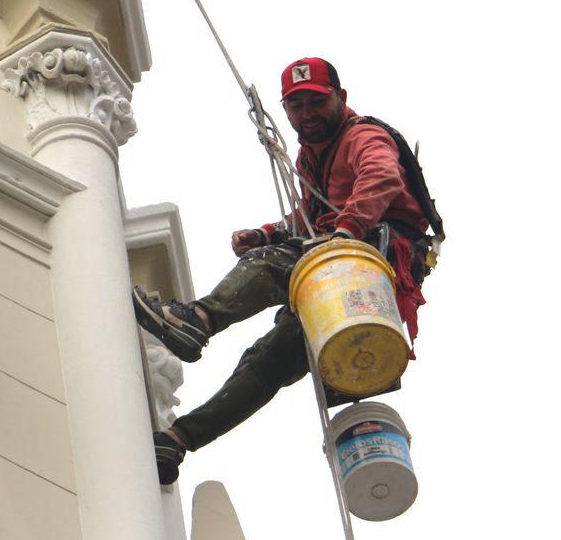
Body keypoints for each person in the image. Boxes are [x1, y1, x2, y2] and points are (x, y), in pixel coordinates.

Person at [131, 57, 433, 484]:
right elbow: (312, 216)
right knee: (268, 362)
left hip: (368, 263)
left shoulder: (363, 136)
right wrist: (266, 232)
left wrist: (345, 232)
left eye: (316, 102)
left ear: (340, 97)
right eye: (296, 106)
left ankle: (197, 320)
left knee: (272, 264)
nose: (306, 114)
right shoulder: (312, 156)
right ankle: (179, 439)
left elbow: (381, 177)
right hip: (348, 274)